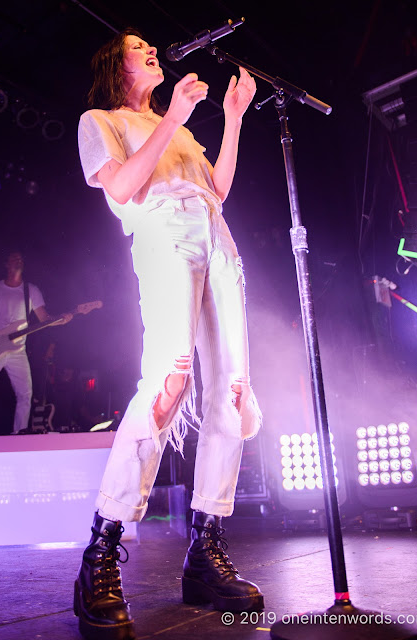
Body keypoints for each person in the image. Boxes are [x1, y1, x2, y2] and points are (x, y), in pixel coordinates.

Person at [76, 28, 263, 640]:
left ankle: (205, 552)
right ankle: (101, 550)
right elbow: (124, 188)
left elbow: (218, 189)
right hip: (163, 235)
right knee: (167, 386)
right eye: (137, 48)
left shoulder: (180, 129)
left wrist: (231, 119)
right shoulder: (100, 119)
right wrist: (175, 113)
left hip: (215, 235)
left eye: (150, 44)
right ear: (115, 64)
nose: (150, 50)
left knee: (232, 392)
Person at [0, 251, 69, 436]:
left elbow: (44, 318)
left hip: (17, 350)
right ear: (6, 264)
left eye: (21, 258)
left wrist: (61, 320)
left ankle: (19, 434)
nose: (18, 261)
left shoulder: (31, 290)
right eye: (14, 258)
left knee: (25, 394)